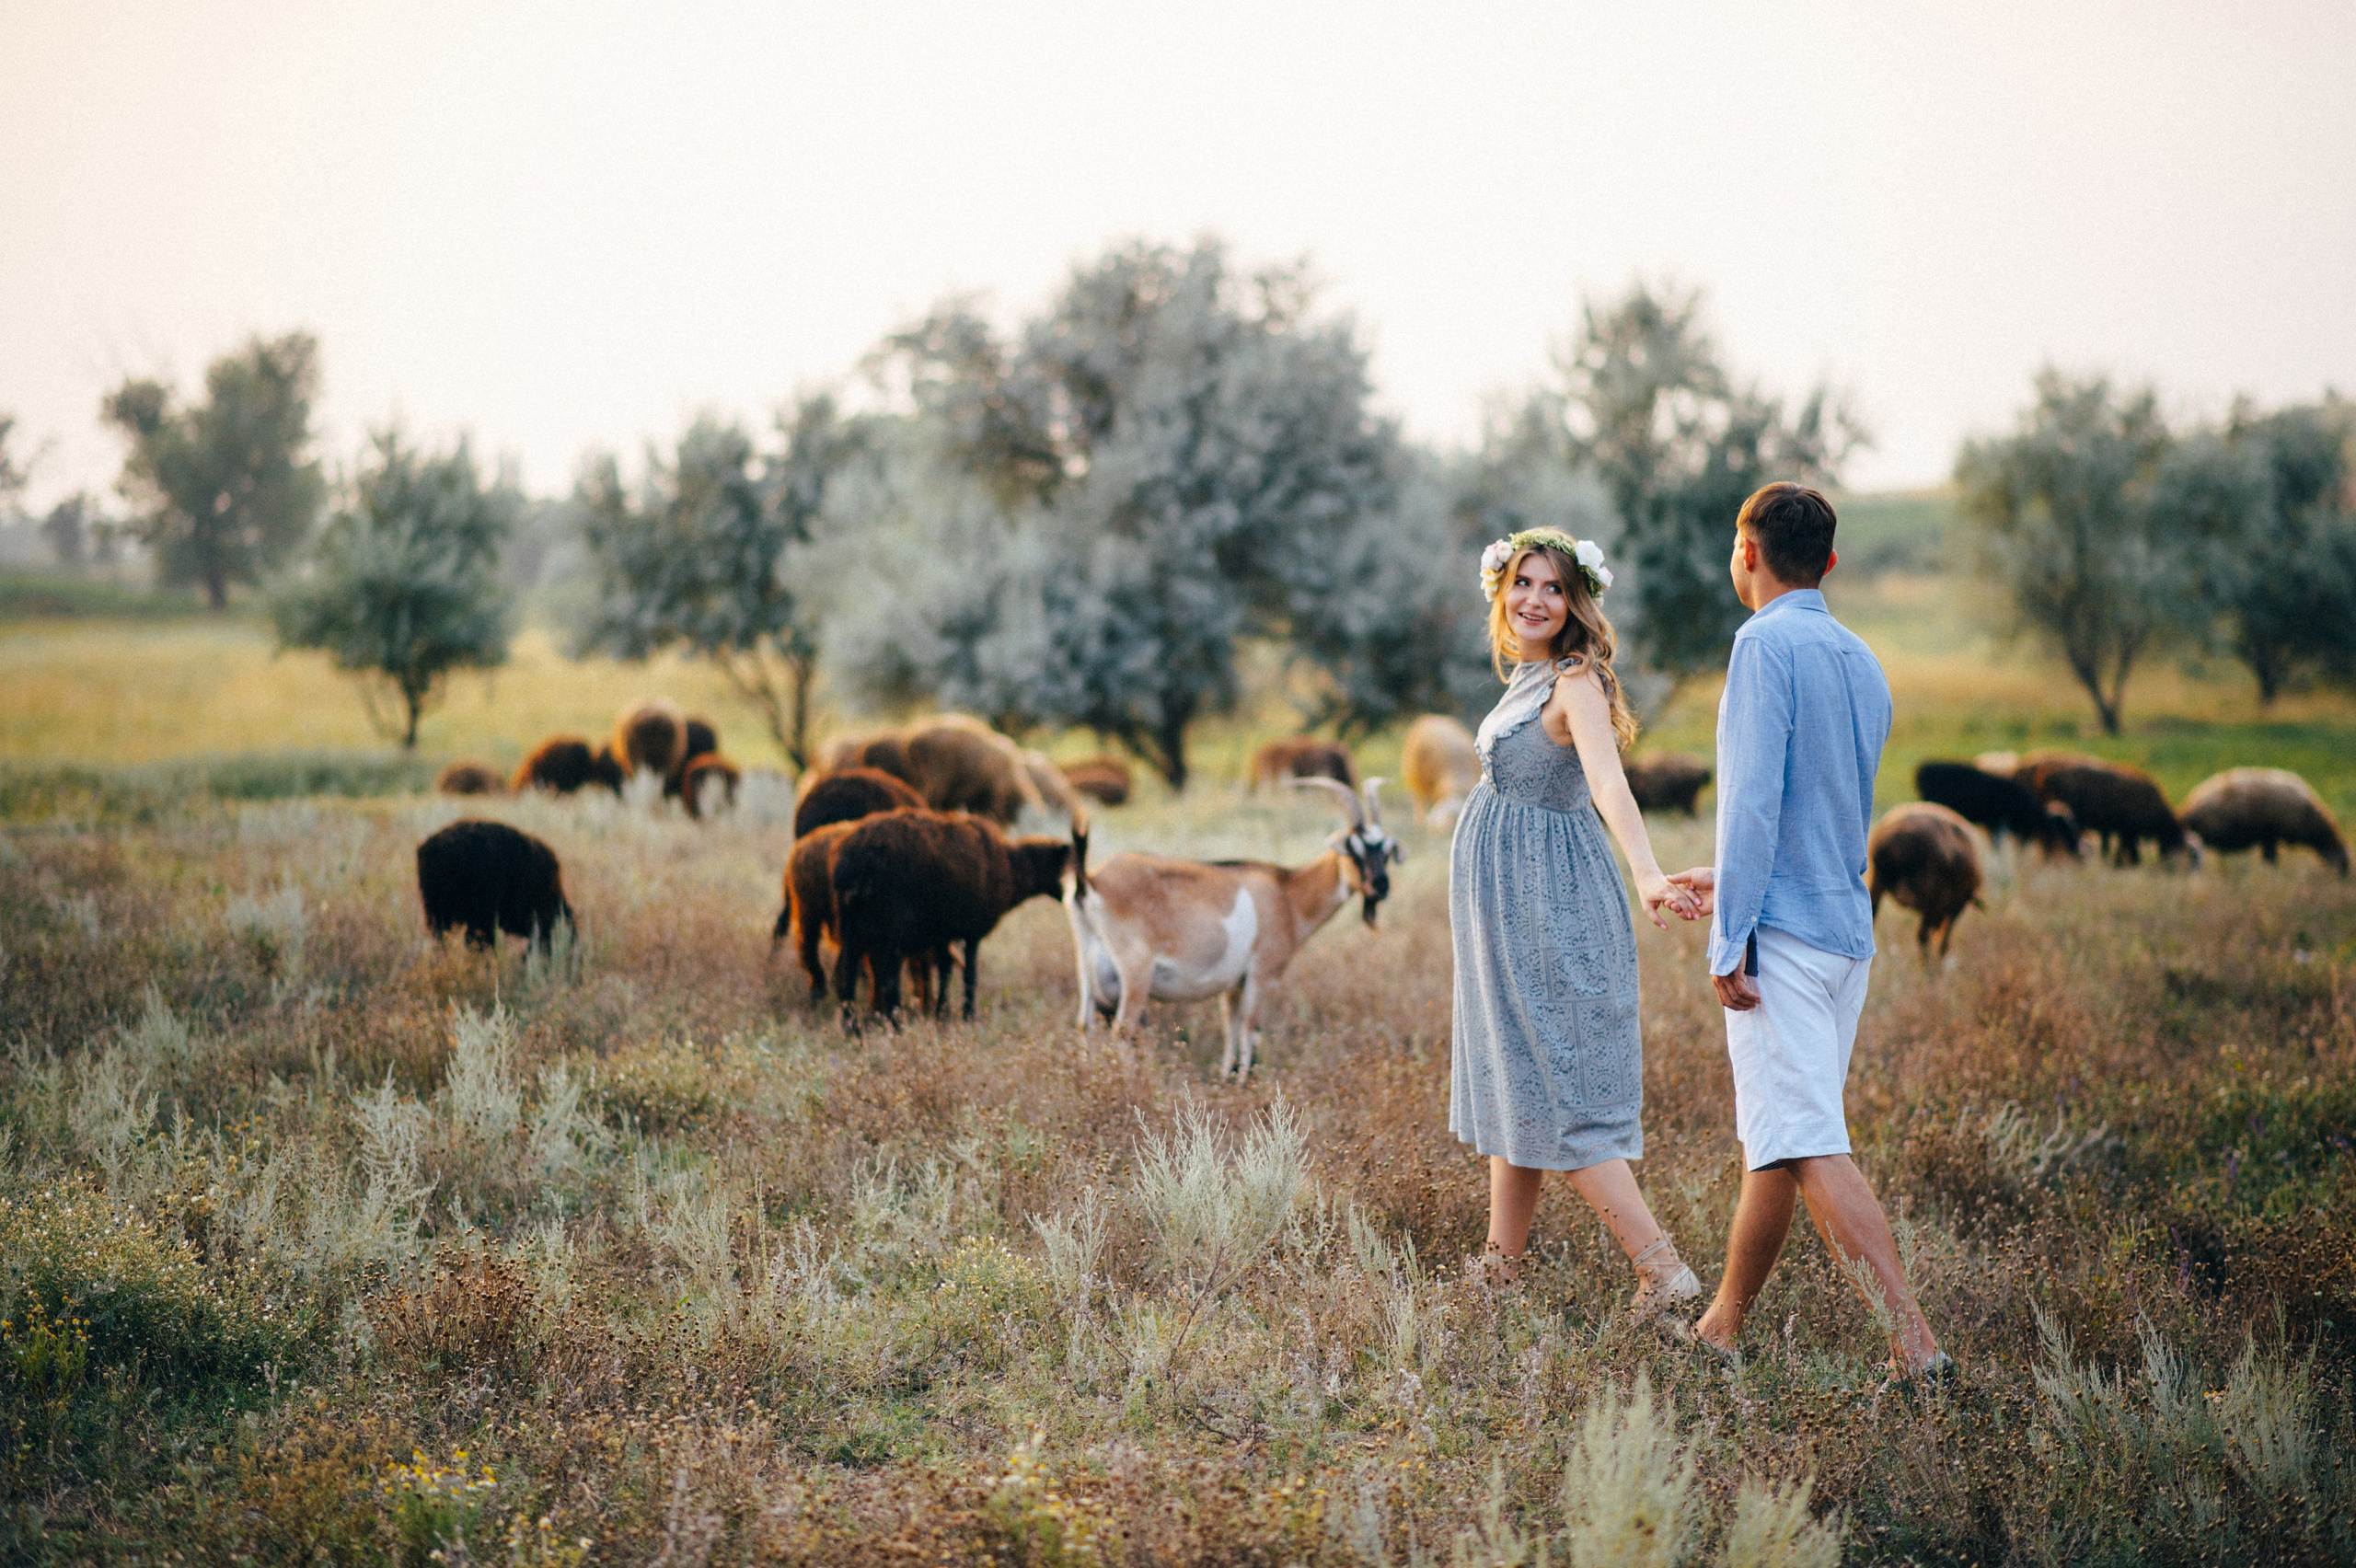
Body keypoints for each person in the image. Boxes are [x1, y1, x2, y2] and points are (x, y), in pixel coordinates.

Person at [1666, 482, 1951, 1384]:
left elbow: (1750, 801)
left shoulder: (1759, 645)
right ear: (1828, 563)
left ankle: (1916, 1350)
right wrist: (1739, 879)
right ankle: (1719, 1327)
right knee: (1781, 1140)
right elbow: (1822, 807)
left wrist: (1727, 939)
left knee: (1806, 1142)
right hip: (1841, 935)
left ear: (1746, 554)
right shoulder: (1859, 657)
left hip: (1780, 942)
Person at [1448, 526, 1704, 1320]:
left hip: (1551, 907)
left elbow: (1608, 783)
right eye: (1523, 581)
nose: (1534, 598)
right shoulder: (1526, 678)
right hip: (1506, 908)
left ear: (1576, 602)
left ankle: (1663, 1273)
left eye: (1554, 587)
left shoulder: (1574, 685)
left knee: (1560, 1085)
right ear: (1502, 590)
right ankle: (1501, 1267)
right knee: (1514, 1074)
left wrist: (1649, 871)